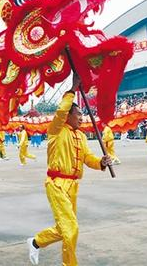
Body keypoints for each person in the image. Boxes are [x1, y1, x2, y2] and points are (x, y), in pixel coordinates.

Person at [27, 73, 112, 266]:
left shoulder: (81, 137)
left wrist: (101, 163)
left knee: (65, 228)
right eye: (78, 115)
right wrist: (72, 90)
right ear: (68, 116)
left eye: (82, 115)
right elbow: (61, 111)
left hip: (73, 186)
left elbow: (87, 158)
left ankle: (36, 241)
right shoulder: (56, 130)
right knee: (71, 227)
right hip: (56, 184)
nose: (82, 118)